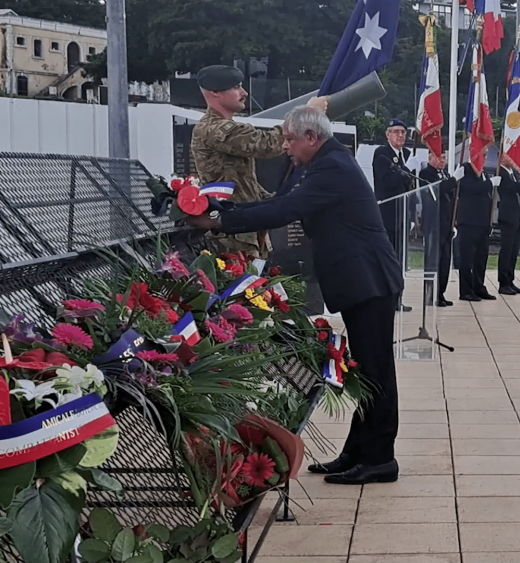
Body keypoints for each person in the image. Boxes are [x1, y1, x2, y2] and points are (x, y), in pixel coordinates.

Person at [185, 106, 403, 484]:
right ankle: (359, 450)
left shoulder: (331, 167)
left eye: (289, 139)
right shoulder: (327, 162)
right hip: (363, 281)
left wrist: (219, 221)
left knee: (376, 371)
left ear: (311, 138)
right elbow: (279, 201)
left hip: (369, 282)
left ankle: (381, 458)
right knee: (368, 370)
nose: (285, 147)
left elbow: (286, 209)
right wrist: (227, 209)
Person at [190, 65, 288, 258]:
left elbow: (241, 180)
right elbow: (266, 144)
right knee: (240, 286)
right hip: (232, 234)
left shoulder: (225, 126)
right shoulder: (214, 128)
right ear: (215, 92)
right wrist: (301, 120)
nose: (243, 93)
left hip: (245, 227)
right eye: (235, 87)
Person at [372, 120, 416, 312]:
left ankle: (397, 298)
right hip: (388, 215)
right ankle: (386, 299)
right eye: (396, 132)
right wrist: (407, 170)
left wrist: (412, 215)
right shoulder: (382, 154)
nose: (400, 135)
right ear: (387, 134)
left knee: (400, 261)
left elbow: (410, 189)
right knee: (387, 260)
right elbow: (387, 182)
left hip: (402, 215)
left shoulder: (405, 155)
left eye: (403, 132)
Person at [418, 153, 458, 307]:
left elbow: (451, 200)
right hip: (434, 224)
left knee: (445, 260)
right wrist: (454, 180)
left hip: (446, 224)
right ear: (430, 159)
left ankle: (440, 293)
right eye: (440, 157)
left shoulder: (445, 174)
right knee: (433, 261)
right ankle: (430, 294)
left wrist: (453, 223)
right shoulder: (426, 173)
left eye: (444, 158)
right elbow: (438, 189)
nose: (443, 160)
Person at [455, 163, 498, 302]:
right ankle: (466, 290)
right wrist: (490, 183)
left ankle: (478, 286)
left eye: (485, 156)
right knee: (467, 259)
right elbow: (469, 188)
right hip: (468, 221)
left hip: (482, 221)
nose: (484, 158)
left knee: (481, 258)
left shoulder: (482, 170)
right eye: (482, 154)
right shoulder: (466, 168)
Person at [496, 155, 520, 296]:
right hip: (507, 217)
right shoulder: (500, 172)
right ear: (501, 159)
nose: (513, 159)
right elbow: (515, 188)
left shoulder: (512, 173)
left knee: (514, 251)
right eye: (509, 156)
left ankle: (510, 280)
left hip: (516, 216)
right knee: (507, 251)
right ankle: (503, 283)